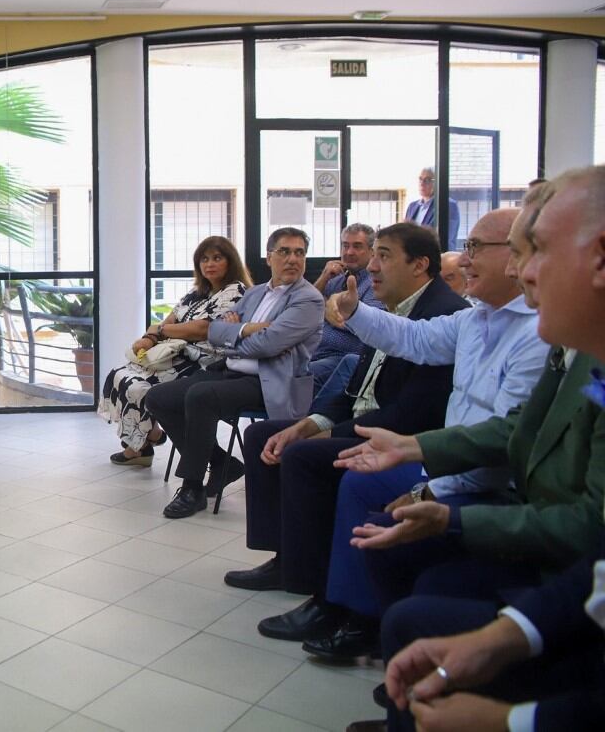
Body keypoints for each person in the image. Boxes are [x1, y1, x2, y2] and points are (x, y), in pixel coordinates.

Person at [366, 168, 605, 731]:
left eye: (536, 249)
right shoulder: (566, 347)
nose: (525, 271)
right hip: (555, 552)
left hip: (544, 542)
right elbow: (517, 429)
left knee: (421, 597)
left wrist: (515, 722)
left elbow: (593, 531)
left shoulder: (555, 341)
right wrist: (414, 447)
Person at [295, 208, 549, 662]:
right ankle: (357, 614)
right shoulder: (476, 319)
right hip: (450, 470)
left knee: (363, 481)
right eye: (465, 248)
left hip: (490, 487)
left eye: (474, 249)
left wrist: (427, 486)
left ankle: (370, 623)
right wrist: (356, 312)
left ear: (518, 257)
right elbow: (414, 338)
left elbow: (504, 438)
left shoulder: (537, 333)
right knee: (360, 476)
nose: (465, 259)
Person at [223, 222, 468, 641]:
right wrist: (312, 422)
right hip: (368, 420)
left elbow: (414, 412)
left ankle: (325, 596)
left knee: (302, 456)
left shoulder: (443, 314)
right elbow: (356, 387)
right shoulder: (391, 308)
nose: (371, 265)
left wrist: (332, 432)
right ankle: (285, 558)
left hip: (403, 438)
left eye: (383, 255)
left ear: (420, 264)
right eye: (370, 253)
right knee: (266, 435)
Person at [145, 227, 324, 519]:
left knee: (201, 395)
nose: (293, 259)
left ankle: (192, 488)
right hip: (228, 369)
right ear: (269, 258)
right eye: (284, 252)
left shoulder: (308, 299)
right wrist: (243, 330)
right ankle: (222, 461)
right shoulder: (254, 294)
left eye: (299, 252)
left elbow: (268, 344)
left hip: (269, 381)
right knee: (158, 397)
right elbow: (215, 332)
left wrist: (234, 332)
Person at [100, 236, 250, 466]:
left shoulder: (235, 291)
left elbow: (203, 329)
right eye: (204, 259)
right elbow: (170, 320)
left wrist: (160, 330)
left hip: (205, 362)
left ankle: (144, 442)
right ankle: (147, 440)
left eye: (217, 258)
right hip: (176, 355)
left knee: (138, 387)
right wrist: (152, 336)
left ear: (230, 262)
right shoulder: (198, 292)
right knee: (119, 375)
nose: (209, 264)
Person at [308, 223, 384, 392]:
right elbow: (307, 308)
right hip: (313, 352)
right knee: (275, 369)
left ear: (372, 251)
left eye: (357, 246)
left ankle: (301, 418)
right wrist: (323, 277)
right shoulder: (335, 280)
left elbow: (364, 324)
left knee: (299, 377)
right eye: (345, 245)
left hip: (344, 358)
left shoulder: (375, 283)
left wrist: (329, 311)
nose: (349, 252)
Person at [405, 167, 461, 249]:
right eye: (420, 179)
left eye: (427, 180)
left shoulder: (447, 205)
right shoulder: (412, 206)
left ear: (438, 182)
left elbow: (448, 240)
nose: (422, 183)